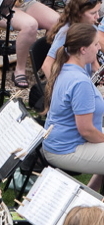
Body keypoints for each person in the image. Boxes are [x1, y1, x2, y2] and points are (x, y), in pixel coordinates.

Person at [43, 23, 104, 191]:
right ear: (83, 49)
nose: (99, 48)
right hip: (65, 149)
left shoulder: (66, 68)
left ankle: (91, 193)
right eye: (95, 44)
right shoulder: (80, 81)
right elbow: (86, 130)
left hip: (59, 142)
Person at [0, 0, 58, 88]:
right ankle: (20, 70)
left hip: (25, 2)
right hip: (1, 5)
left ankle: (47, 64)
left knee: (58, 23)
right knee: (30, 25)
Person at [41, 0, 101, 79]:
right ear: (79, 13)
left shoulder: (91, 26)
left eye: (98, 12)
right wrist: (58, 88)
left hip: (86, 78)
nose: (98, 16)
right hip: (74, 81)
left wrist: (98, 71)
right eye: (93, 13)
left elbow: (93, 58)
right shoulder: (66, 33)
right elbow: (47, 65)